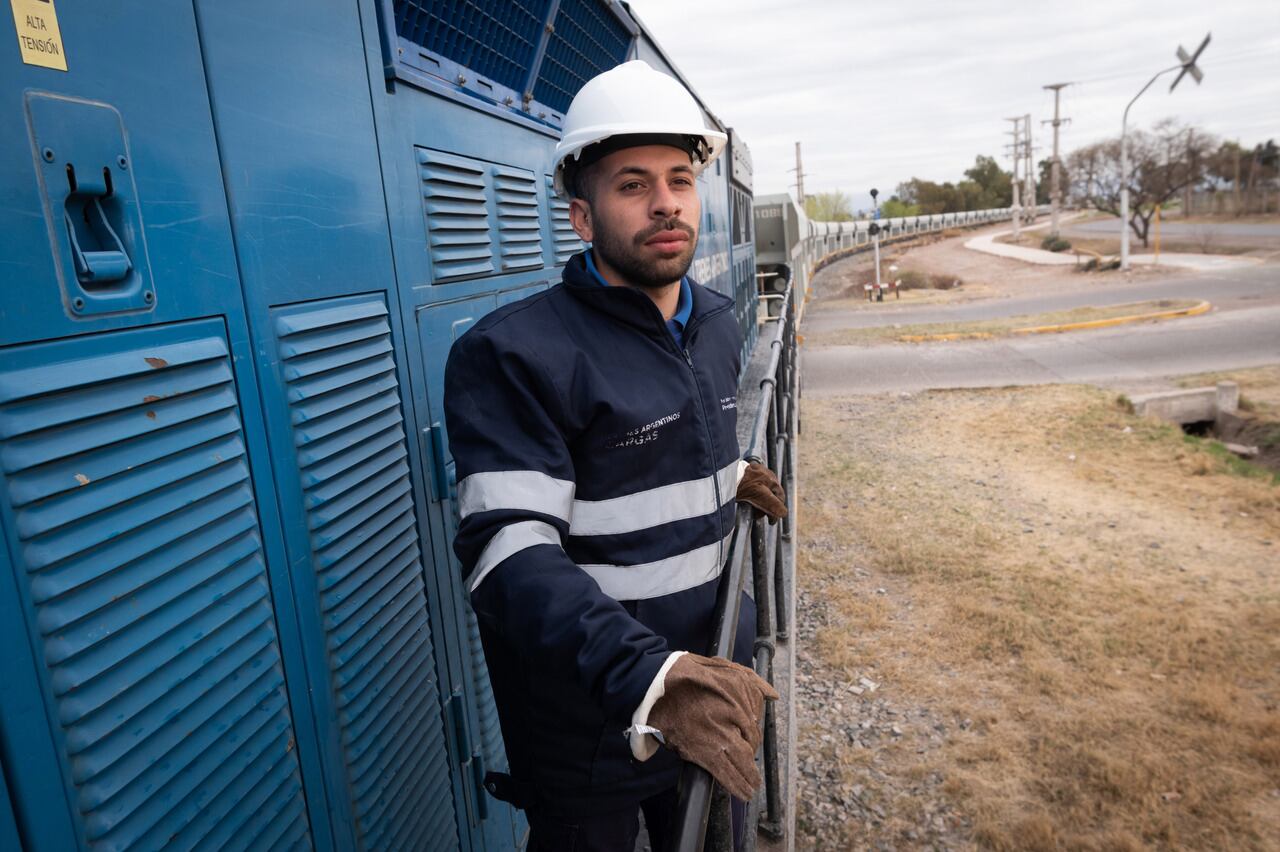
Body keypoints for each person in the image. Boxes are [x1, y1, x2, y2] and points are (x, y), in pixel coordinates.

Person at [444, 60, 788, 851]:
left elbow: (647, 461)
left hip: (711, 679)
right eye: (632, 185)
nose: (665, 203)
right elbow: (508, 555)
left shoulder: (717, 322)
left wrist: (727, 475)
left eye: (678, 179)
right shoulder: (517, 354)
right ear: (582, 217)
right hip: (590, 715)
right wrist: (651, 678)